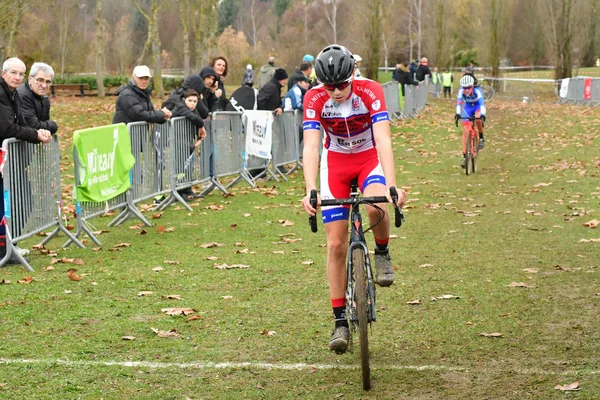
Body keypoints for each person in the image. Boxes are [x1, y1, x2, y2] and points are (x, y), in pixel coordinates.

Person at [301, 45, 407, 354]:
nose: (335, 91)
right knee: (335, 244)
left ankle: (383, 251)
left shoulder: (370, 91)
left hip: (367, 158)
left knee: (377, 206)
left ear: (353, 75)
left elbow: (384, 138)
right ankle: (340, 321)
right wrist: (310, 189)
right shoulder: (315, 98)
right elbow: (311, 146)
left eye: (341, 84)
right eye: (328, 85)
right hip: (335, 163)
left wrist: (392, 184)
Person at [0, 57, 53, 264]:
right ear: (4, 73)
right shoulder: (2, 94)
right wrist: (35, 134)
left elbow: (21, 122)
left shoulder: (13, 94)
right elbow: (6, 128)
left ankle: (11, 244)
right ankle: (5, 250)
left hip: (12, 160)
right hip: (4, 158)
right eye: (13, 73)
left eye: (20, 74)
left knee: (24, 200)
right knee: (6, 206)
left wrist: (38, 131)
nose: (17, 77)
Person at [171, 89, 207, 200]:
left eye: (195, 101)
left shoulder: (193, 109)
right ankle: (179, 192)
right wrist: (201, 126)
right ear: (184, 99)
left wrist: (199, 134)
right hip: (177, 141)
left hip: (187, 141)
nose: (192, 104)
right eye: (190, 100)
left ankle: (187, 190)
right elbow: (195, 119)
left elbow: (199, 117)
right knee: (180, 168)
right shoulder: (180, 107)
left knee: (188, 166)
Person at [17, 62, 58, 134]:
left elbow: (44, 126)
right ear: (30, 79)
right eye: (40, 80)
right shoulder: (22, 96)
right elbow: (32, 125)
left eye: (48, 81)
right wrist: (53, 125)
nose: (44, 86)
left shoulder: (44, 98)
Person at [455, 74, 486, 168]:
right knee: (465, 131)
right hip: (468, 108)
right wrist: (458, 114)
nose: (466, 90)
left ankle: (481, 137)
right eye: (465, 88)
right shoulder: (461, 92)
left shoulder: (477, 91)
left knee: (478, 120)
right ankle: (465, 156)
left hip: (477, 107)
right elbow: (459, 104)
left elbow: (481, 104)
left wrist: (482, 115)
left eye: (469, 88)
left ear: (472, 86)